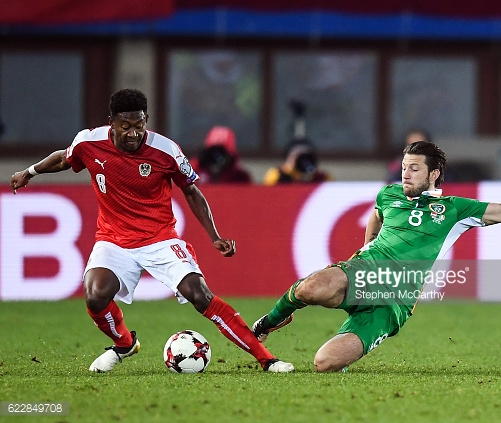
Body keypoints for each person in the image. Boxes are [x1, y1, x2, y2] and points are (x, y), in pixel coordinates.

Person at [10, 89, 293, 373]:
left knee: (200, 295)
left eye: (139, 125)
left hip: (160, 238)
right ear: (112, 122)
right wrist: (30, 172)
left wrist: (215, 236)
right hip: (113, 239)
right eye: (125, 126)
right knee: (95, 295)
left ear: (146, 120)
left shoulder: (166, 150)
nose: (133, 133)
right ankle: (123, 344)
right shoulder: (89, 142)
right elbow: (63, 159)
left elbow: (192, 191)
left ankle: (267, 359)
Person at [252, 140, 501, 372]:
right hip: (365, 270)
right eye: (404, 168)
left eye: (414, 169)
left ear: (434, 174)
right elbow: (376, 216)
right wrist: (366, 249)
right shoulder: (389, 195)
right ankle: (271, 321)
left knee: (324, 363)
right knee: (311, 288)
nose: (406, 174)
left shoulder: (455, 209)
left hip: (395, 300)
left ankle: (354, 340)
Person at [263, 138, 331, 185]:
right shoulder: (277, 173)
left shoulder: (321, 176)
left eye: (306, 156)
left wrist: (312, 175)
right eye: (298, 156)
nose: (302, 160)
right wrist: (288, 173)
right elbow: (268, 193)